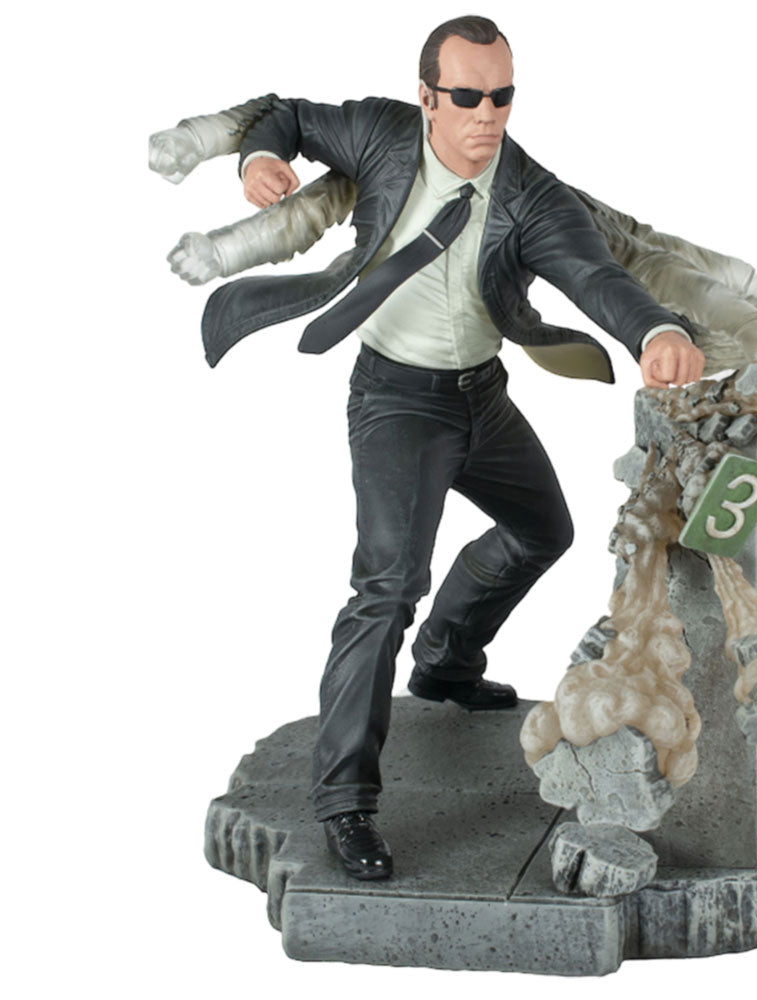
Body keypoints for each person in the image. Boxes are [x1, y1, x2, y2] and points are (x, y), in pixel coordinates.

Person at [207, 15, 705, 880]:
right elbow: (283, 112)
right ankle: (344, 799)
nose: (487, 115)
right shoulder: (381, 132)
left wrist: (655, 331)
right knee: (386, 587)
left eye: (502, 96)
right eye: (467, 96)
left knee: (543, 530)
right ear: (428, 97)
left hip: (483, 398)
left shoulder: (529, 193)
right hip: (396, 401)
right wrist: (259, 158)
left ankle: (445, 661)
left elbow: (596, 276)